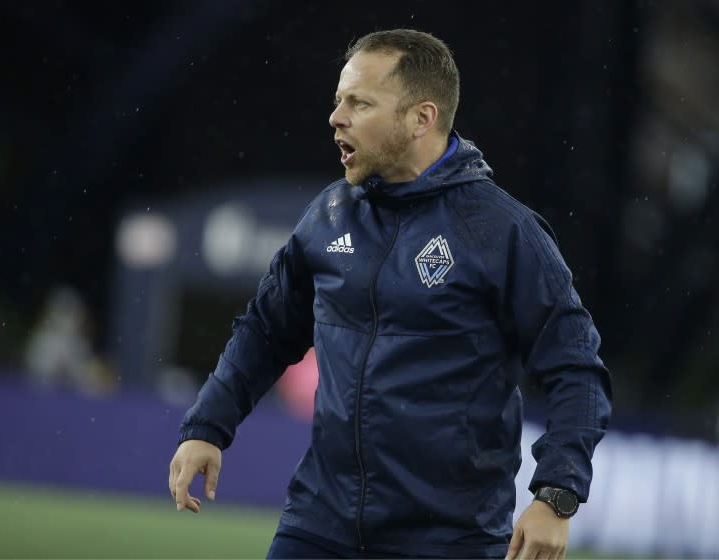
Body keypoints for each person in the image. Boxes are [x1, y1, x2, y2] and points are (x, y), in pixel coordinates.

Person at [169, 28, 612, 559]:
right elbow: (266, 331)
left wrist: (556, 494)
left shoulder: (502, 232)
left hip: (448, 541)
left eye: (359, 102)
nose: (337, 117)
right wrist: (207, 426)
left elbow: (577, 368)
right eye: (338, 101)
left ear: (421, 118)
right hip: (319, 524)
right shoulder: (329, 215)